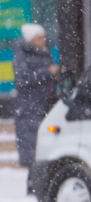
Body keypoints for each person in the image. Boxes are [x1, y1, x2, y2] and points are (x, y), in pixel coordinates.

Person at [12, 23, 60, 167]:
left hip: (43, 106)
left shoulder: (44, 53)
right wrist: (48, 72)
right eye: (40, 37)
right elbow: (23, 78)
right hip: (30, 110)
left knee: (42, 155)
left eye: (44, 37)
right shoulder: (23, 55)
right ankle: (33, 188)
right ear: (31, 39)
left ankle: (36, 187)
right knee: (34, 155)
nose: (43, 40)